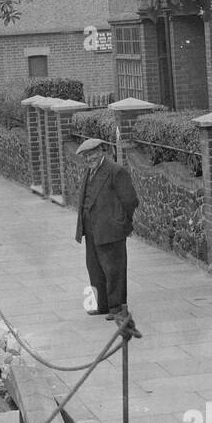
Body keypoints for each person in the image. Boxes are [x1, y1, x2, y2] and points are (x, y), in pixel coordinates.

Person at [74, 137, 138, 319]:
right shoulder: (90, 171)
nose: (89, 159)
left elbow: (130, 200)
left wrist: (121, 224)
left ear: (101, 151)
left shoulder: (115, 171)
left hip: (111, 231)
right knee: (94, 268)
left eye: (92, 154)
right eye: (86, 156)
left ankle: (117, 308)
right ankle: (102, 305)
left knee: (113, 270)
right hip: (91, 230)